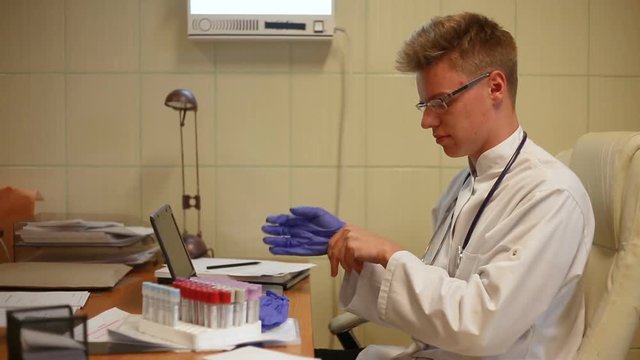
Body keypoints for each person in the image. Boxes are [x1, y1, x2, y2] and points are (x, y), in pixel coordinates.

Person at [262, 12, 594, 360]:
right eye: (425, 104)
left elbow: (481, 328)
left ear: (495, 87)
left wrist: (390, 254)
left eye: (441, 102)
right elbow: (439, 293)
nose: (427, 120)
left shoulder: (550, 195)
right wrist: (358, 254)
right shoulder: (465, 182)